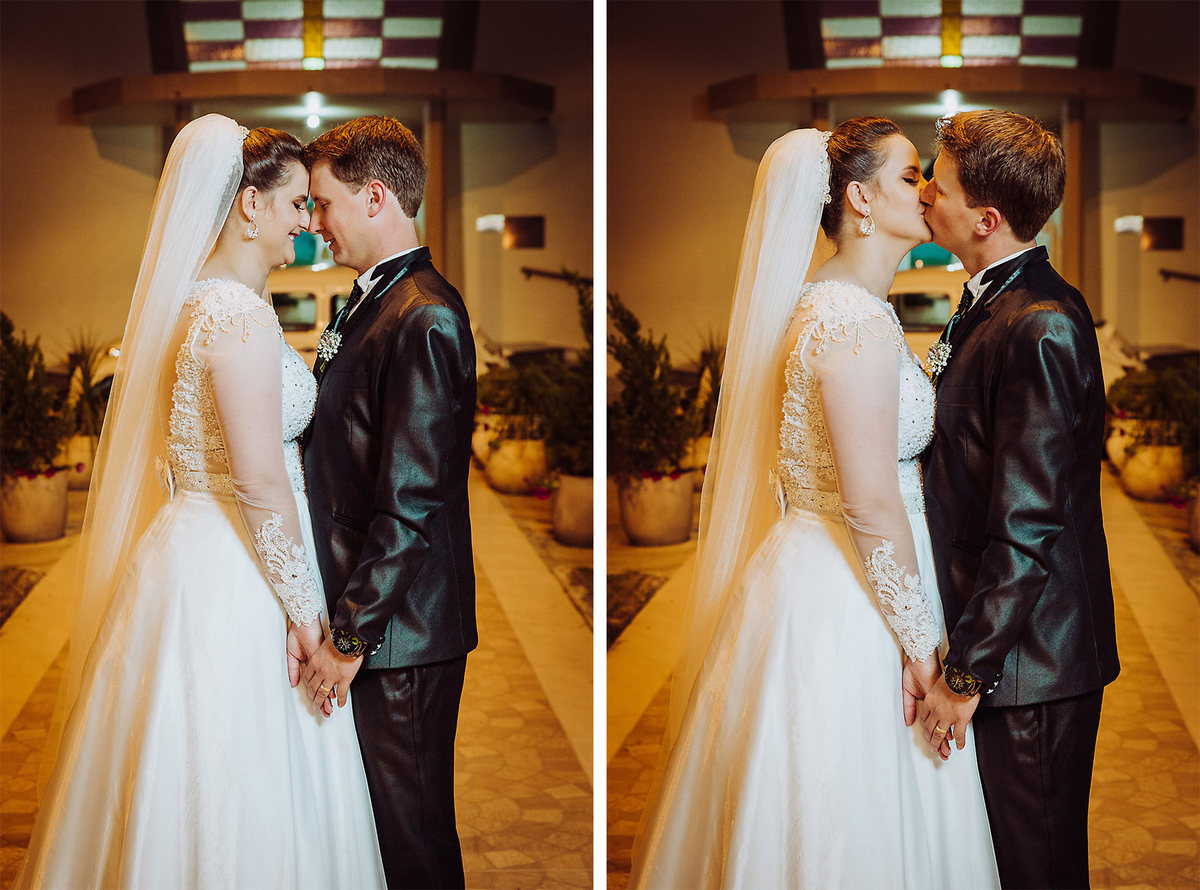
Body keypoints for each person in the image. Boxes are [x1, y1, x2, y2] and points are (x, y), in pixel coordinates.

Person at [14, 115, 385, 889]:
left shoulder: (191, 305)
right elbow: (256, 481)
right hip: (234, 570)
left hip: (188, 549)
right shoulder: (237, 319)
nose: (303, 227)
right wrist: (308, 616)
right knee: (233, 768)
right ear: (248, 205)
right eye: (292, 207)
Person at [628, 120, 999, 889]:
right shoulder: (849, 320)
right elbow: (866, 502)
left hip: (829, 569)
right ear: (860, 199)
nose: (928, 189)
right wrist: (925, 652)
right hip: (850, 595)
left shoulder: (839, 303)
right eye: (910, 177)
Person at [916, 110, 1120, 889]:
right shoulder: (990, 299)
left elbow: (1027, 522)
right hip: (1006, 645)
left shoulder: (1039, 324)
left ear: (986, 219)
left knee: (1039, 868)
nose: (928, 190)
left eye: (943, 181)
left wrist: (967, 673)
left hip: (1031, 662)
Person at [296, 115, 478, 890]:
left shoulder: (425, 314)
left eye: (323, 203)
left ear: (374, 196)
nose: (315, 223)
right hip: (376, 617)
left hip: (400, 633)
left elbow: (412, 501)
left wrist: (349, 636)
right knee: (383, 829)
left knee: (413, 839)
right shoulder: (371, 301)